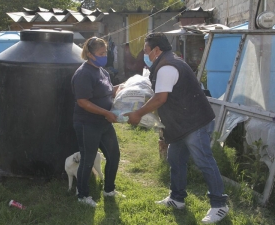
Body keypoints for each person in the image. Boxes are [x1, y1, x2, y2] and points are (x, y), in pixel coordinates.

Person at [125, 32, 229, 224]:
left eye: (146, 51)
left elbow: (159, 98)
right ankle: (177, 198)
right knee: (176, 159)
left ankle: (219, 204)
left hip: (194, 122)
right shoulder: (167, 63)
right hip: (182, 123)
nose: (144, 55)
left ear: (157, 50)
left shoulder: (167, 67)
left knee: (204, 161)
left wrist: (138, 113)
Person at [71, 37, 121, 207]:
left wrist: (123, 89)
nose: (104, 56)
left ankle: (109, 190)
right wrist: (106, 112)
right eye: (101, 53)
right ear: (90, 55)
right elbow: (83, 102)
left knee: (114, 155)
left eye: (105, 52)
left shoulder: (103, 71)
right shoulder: (83, 74)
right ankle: (83, 195)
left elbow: (108, 91)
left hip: (104, 123)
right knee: (88, 159)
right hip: (87, 123)